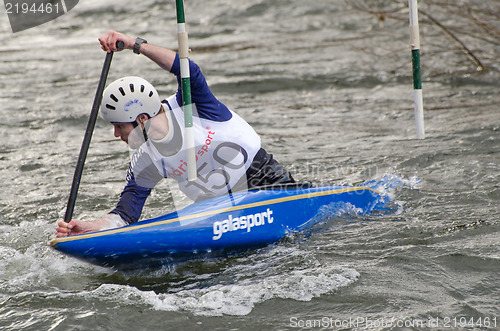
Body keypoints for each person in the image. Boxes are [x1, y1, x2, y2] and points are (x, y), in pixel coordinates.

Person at [55, 30, 295, 238]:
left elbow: (187, 68)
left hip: (267, 183)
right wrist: (87, 228)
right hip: (218, 213)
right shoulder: (145, 160)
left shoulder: (192, 105)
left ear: (141, 120)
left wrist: (133, 44)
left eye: (119, 126)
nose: (116, 134)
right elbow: (125, 215)